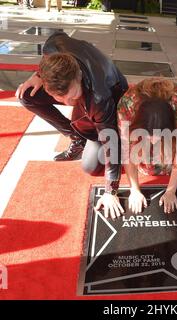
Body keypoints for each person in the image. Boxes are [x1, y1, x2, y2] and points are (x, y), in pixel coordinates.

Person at [16, 32, 128, 219]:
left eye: (73, 96)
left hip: (112, 92)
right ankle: (76, 138)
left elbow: (111, 143)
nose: (68, 102)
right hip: (79, 86)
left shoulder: (100, 97)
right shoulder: (54, 45)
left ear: (78, 75)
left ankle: (86, 135)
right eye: (61, 98)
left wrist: (111, 191)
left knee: (90, 166)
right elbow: (56, 37)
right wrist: (37, 75)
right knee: (26, 95)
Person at [117, 78, 177, 214]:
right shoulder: (127, 107)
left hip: (176, 121)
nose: (153, 142)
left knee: (169, 158)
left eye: (158, 137)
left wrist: (171, 191)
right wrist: (134, 190)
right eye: (149, 136)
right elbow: (127, 152)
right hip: (136, 120)